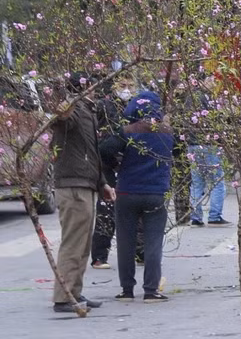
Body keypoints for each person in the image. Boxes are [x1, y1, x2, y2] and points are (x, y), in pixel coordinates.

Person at [101, 90, 183, 303]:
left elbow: (103, 150)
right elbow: (179, 151)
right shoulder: (167, 132)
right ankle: (151, 291)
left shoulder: (126, 131)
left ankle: (127, 290)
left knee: (126, 242)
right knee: (153, 242)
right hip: (155, 193)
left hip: (127, 191)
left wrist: (115, 166)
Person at [50, 73, 116, 312]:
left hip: (86, 184)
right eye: (91, 87)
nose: (95, 92)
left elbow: (91, 152)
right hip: (73, 185)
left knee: (83, 245)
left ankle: (74, 292)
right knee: (73, 243)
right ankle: (64, 296)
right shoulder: (73, 109)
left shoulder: (87, 111)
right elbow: (61, 121)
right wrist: (64, 106)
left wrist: (102, 184)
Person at [90, 74, 131, 269]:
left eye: (130, 86)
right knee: (106, 210)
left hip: (127, 163)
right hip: (107, 161)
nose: (127, 89)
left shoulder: (132, 106)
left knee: (134, 210)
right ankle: (99, 255)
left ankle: (139, 251)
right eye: (123, 85)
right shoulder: (103, 105)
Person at [187, 73, 228, 226]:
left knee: (197, 183)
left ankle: (196, 217)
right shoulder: (203, 98)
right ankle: (215, 216)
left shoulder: (190, 97)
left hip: (193, 144)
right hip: (207, 143)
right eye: (210, 80)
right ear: (200, 81)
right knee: (217, 181)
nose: (213, 83)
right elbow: (211, 120)